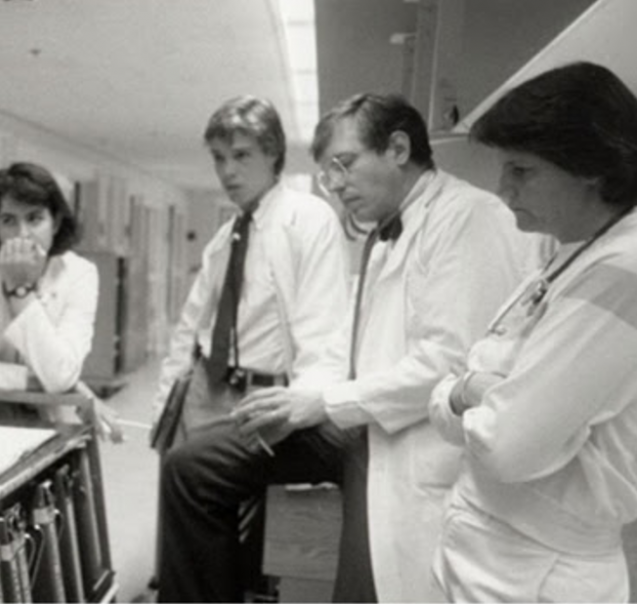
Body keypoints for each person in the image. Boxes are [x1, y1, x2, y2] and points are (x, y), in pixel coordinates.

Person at [233, 93, 533, 601]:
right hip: (372, 435)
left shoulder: (470, 217)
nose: (335, 185)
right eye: (327, 174)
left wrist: (325, 403)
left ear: (397, 148)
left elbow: (449, 363)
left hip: (422, 453)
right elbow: (353, 343)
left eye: (343, 164)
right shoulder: (385, 234)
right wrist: (305, 398)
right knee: (207, 461)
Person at [428, 62, 637, 602]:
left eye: (521, 170)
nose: (503, 189)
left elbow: (508, 446)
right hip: (495, 551)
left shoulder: (624, 272)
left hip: (538, 569)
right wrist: (477, 389)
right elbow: (459, 400)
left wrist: (467, 389)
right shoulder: (571, 253)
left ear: (590, 168)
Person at [155, 95, 351, 602]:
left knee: (249, 529)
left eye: (241, 155)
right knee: (195, 512)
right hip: (209, 387)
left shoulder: (308, 218)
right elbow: (191, 327)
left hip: (265, 396)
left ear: (273, 154)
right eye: (219, 158)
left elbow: (324, 332)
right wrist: (166, 405)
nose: (227, 171)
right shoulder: (225, 237)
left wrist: (303, 408)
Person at [0, 162, 98, 422]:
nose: (22, 234)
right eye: (9, 221)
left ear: (55, 223)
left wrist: (20, 292)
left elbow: (61, 374)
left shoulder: (79, 273)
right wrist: (42, 381)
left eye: (34, 219)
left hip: (54, 425)